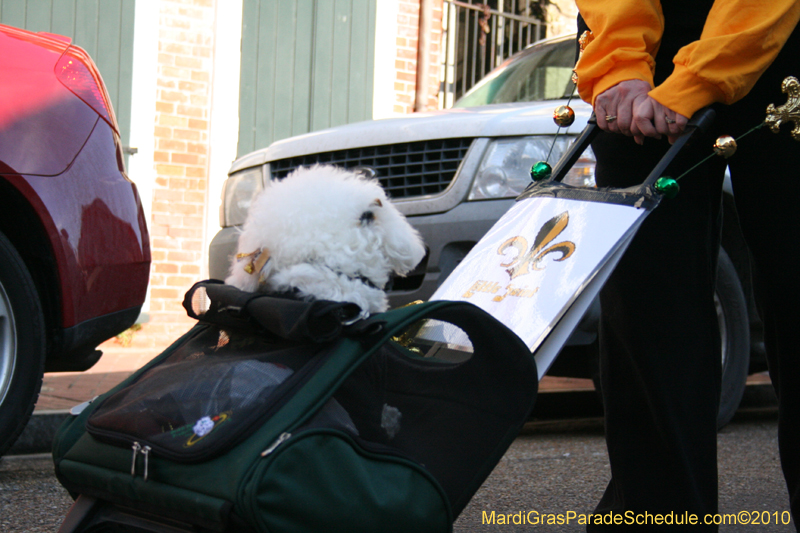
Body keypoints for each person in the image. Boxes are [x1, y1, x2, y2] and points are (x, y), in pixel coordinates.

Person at [572, 0, 800, 530]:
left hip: (782, 32)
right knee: (646, 304)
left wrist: (697, 80)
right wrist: (619, 63)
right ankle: (658, 516)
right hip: (643, 63)